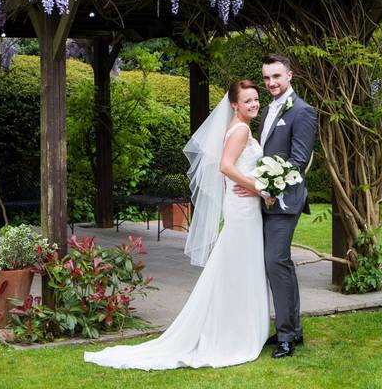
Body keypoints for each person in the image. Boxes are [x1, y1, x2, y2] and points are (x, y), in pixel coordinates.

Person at [84, 80, 270, 369]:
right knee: (239, 266)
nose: (254, 104)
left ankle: (235, 326)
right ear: (234, 104)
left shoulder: (236, 127)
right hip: (243, 208)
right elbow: (225, 166)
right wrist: (259, 188)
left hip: (242, 207)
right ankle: (235, 332)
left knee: (236, 266)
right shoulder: (242, 129)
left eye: (256, 99)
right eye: (248, 100)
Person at [233, 52, 318, 358]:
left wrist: (261, 189)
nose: (271, 83)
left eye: (276, 76)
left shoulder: (303, 112)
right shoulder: (267, 109)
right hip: (265, 201)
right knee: (279, 265)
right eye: (266, 77)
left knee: (275, 262)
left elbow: (297, 162)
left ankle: (286, 336)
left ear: (289, 76)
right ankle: (292, 329)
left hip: (284, 201)